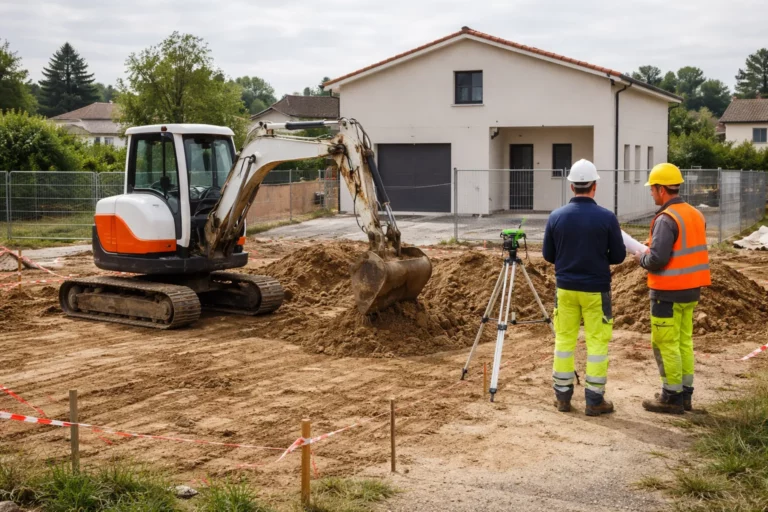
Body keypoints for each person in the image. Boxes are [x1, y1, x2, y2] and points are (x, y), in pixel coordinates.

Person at [543, 159, 626, 416]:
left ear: (571, 187)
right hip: (595, 290)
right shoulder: (606, 217)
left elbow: (548, 255)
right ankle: (594, 400)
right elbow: (619, 255)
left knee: (564, 340)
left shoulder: (556, 217)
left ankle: (563, 398)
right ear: (594, 186)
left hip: (565, 289)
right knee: (597, 343)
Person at [633, 163, 711, 414]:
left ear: (660, 189)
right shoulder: (694, 214)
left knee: (665, 343)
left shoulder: (666, 219)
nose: (651, 193)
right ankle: (685, 395)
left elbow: (657, 259)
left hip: (667, 292)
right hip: (691, 290)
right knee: (683, 342)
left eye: (652, 189)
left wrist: (641, 258)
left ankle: (671, 397)